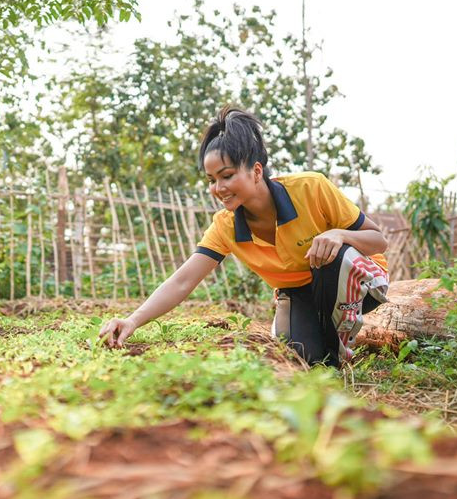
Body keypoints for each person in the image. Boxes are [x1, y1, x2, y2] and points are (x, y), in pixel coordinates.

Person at [97, 107, 390, 367]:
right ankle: (319, 342)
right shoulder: (225, 225)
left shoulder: (310, 188)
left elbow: (377, 239)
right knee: (305, 357)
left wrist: (338, 234)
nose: (218, 187)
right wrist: (132, 320)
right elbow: (183, 280)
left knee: (331, 254)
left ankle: (340, 345)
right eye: (211, 180)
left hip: (359, 279)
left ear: (256, 171)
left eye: (226, 176)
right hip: (300, 293)